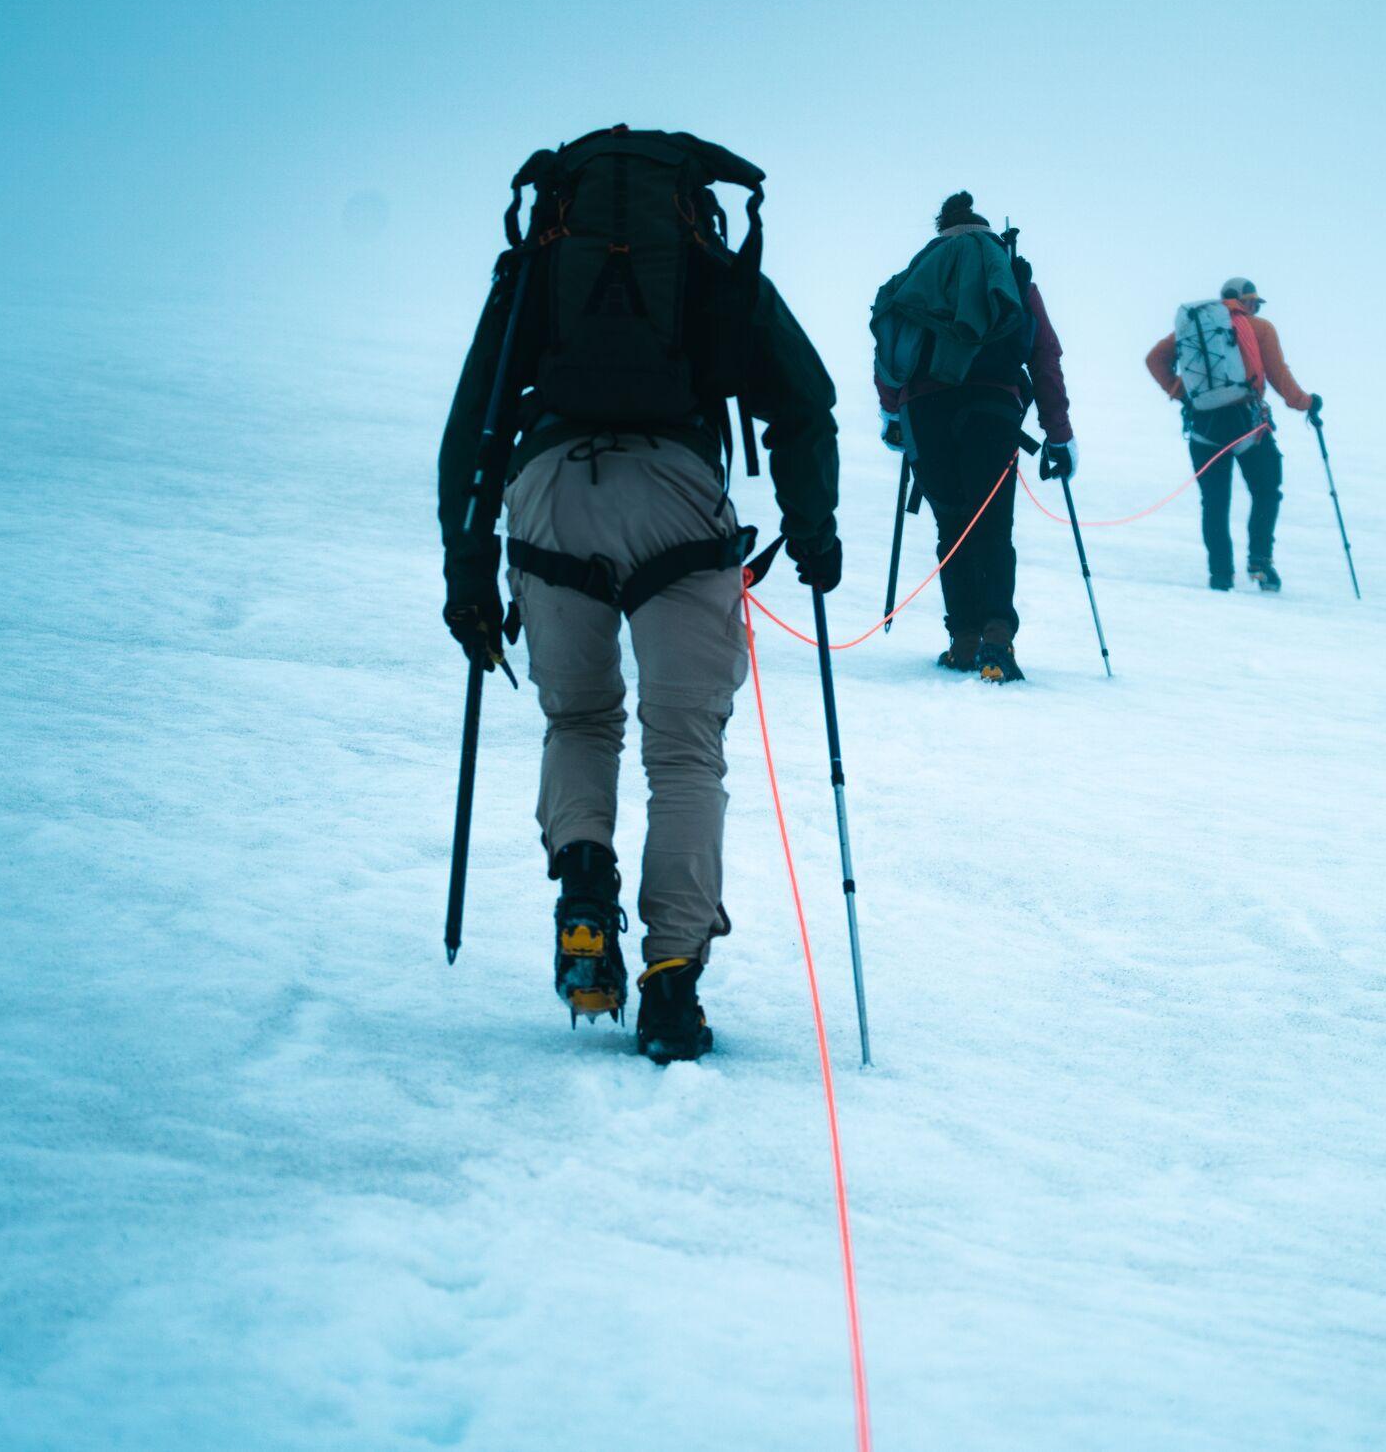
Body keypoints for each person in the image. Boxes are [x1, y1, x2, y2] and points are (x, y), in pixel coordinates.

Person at [437, 127, 841, 1064]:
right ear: (689, 199)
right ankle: (670, 979)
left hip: (548, 494)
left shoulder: (538, 267)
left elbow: (475, 421)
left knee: (579, 719)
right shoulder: (710, 264)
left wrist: (467, 568)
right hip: (677, 503)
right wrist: (812, 527)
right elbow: (803, 400)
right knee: (684, 752)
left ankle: (584, 875)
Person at [871, 192, 1077, 683]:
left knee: (952, 526)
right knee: (992, 525)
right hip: (993, 409)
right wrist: (1059, 434)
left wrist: (892, 413)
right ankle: (996, 641)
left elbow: (888, 350)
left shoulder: (917, 276)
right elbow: (1044, 357)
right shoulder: (1010, 273)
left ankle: (962, 640)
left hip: (925, 409)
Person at [1145, 276, 1322, 592]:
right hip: (1247, 426)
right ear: (1245, 301)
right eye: (1254, 302)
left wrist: (1180, 391)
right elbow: (1280, 378)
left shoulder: (1195, 327)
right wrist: (1305, 403)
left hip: (1203, 428)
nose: (1254, 309)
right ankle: (1260, 562)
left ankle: (1220, 575)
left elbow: (1154, 359)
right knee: (1266, 491)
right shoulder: (1260, 329)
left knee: (1214, 502)